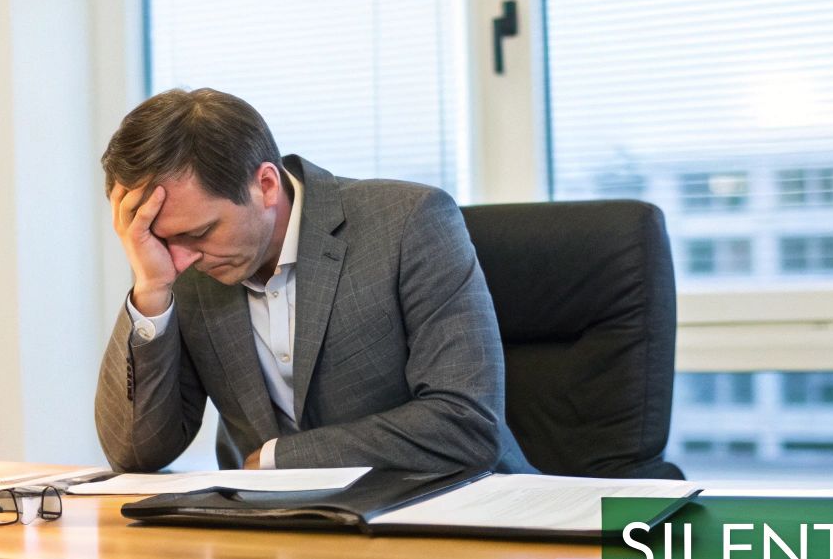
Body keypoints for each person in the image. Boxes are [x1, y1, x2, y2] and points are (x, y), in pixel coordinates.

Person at [93, 88, 533, 475]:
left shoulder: (409, 223)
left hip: (460, 518)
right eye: (164, 240)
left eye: (201, 232)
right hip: (282, 538)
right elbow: (136, 454)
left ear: (265, 185)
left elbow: (466, 424)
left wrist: (277, 459)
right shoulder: (180, 267)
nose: (183, 257)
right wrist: (150, 292)